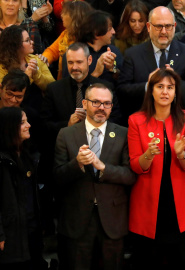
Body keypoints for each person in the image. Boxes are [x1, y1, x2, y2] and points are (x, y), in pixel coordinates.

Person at [54, 83, 135, 270]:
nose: (101, 108)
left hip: (112, 220)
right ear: (84, 103)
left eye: (107, 104)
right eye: (96, 102)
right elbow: (57, 177)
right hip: (78, 220)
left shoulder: (123, 134)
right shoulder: (66, 135)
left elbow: (130, 175)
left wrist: (103, 167)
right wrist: (77, 164)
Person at [127, 68, 185, 267]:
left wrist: (180, 154)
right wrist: (148, 155)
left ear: (176, 92)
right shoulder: (136, 120)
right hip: (148, 202)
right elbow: (135, 165)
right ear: (151, 90)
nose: (165, 92)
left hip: (180, 202)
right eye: (160, 87)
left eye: (170, 87)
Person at [0, 107, 45, 270]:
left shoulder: (27, 154)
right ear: (9, 126)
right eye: (22, 122)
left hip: (29, 230)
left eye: (27, 121)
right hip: (7, 235)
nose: (28, 125)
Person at [118, 6, 185, 120]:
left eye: (168, 26)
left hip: (177, 120)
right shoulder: (132, 54)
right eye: (159, 26)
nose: (164, 31)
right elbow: (122, 90)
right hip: (143, 120)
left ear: (174, 27)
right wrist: (147, 86)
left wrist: (175, 82)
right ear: (149, 27)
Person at [0, 25, 55, 105]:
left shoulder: (36, 59)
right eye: (27, 40)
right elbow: (0, 94)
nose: (32, 42)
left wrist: (36, 74)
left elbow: (52, 86)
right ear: (16, 45)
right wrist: (26, 77)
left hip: (38, 108)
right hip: (11, 109)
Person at [62, 10, 123, 86]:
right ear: (96, 32)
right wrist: (96, 73)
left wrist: (112, 69)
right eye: (110, 29)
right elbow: (69, 88)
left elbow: (122, 83)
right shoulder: (74, 54)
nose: (113, 32)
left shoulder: (114, 51)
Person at [42, 0, 93, 79]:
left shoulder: (87, 39)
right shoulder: (66, 33)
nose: (61, 15)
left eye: (65, 13)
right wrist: (44, 59)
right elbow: (52, 51)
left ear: (74, 17)